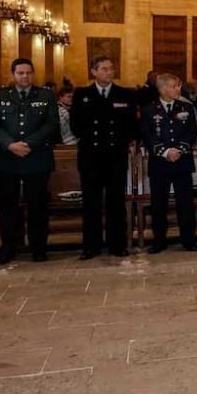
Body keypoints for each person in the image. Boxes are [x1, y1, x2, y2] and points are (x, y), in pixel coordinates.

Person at [0, 59, 59, 264]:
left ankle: (39, 249)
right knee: (8, 206)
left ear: (33, 74)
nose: (25, 76)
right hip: (6, 159)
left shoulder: (45, 95)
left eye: (28, 73)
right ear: (13, 74)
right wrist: (10, 144)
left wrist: (28, 144)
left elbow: (51, 123)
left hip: (35, 158)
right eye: (20, 73)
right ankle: (8, 248)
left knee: (37, 205)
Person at [71, 56, 138, 259]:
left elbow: (131, 126)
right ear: (94, 71)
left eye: (111, 68)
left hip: (115, 156)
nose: (109, 72)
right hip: (91, 157)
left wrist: (123, 142)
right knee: (91, 202)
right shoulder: (82, 94)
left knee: (115, 202)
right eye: (104, 69)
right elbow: (75, 125)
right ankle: (91, 246)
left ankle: (117, 245)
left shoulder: (124, 94)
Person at [140, 74, 197, 253]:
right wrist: (165, 152)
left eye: (178, 86)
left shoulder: (186, 107)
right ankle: (159, 240)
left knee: (185, 204)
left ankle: (188, 239)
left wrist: (179, 150)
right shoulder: (149, 109)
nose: (178, 89)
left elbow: (192, 133)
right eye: (174, 86)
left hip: (182, 163)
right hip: (160, 163)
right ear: (163, 89)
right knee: (159, 204)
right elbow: (147, 135)